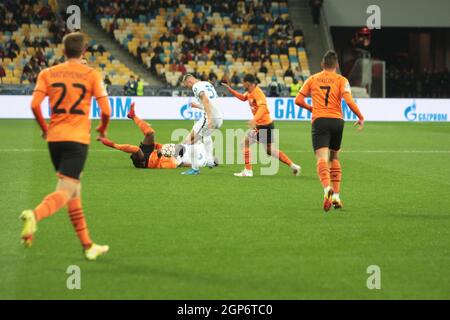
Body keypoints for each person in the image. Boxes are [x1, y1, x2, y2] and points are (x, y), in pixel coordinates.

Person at [20, 32, 112, 260]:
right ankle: (34, 215)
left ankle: (88, 246)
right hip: (76, 140)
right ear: (84, 52)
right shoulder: (91, 74)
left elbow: (34, 105)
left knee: (74, 192)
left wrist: (44, 128)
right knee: (65, 191)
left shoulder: (47, 73)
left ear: (63, 51)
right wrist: (102, 129)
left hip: (55, 140)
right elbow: (107, 110)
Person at [295, 50, 364, 211]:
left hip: (320, 120)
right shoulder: (342, 80)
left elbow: (298, 100)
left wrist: (311, 108)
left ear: (322, 64)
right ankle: (337, 196)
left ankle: (327, 189)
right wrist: (360, 116)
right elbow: (349, 101)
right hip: (338, 121)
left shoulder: (313, 79)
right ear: (337, 65)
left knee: (321, 158)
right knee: (334, 156)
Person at [222, 74, 301, 177]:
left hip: (262, 125)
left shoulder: (258, 93)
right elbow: (243, 98)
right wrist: (231, 90)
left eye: (244, 82)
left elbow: (263, 108)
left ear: (248, 83)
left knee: (244, 143)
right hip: (267, 124)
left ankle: (248, 171)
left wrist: (254, 120)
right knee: (268, 150)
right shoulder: (250, 92)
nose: (242, 84)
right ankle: (293, 166)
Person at [98, 102, 213, 169]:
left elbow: (165, 162)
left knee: (136, 149)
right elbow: (161, 148)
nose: (176, 147)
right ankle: (132, 116)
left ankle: (110, 143)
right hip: (151, 154)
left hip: (145, 162)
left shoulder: (173, 162)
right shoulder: (175, 152)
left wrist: (160, 153)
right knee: (150, 133)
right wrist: (159, 147)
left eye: (177, 149)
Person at [180, 73, 224, 175]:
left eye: (187, 85)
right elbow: (210, 102)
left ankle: (196, 168)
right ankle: (209, 160)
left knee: (189, 140)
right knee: (204, 135)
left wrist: (209, 119)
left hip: (210, 118)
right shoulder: (206, 84)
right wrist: (197, 106)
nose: (188, 87)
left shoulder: (196, 86)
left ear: (189, 81)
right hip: (219, 118)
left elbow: (206, 100)